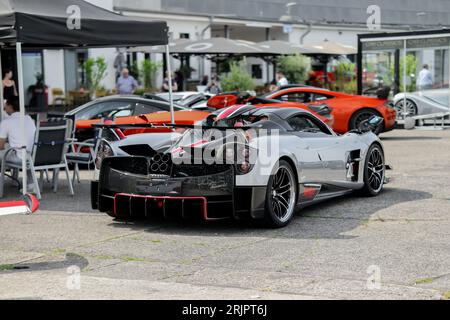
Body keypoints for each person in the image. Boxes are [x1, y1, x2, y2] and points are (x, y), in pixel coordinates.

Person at [0, 97, 37, 192]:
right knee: (16, 148)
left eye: (6, 105)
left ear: (10, 106)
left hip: (20, 158)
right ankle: (31, 184)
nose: (4, 107)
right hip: (34, 155)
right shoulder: (29, 119)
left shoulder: (6, 122)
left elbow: (1, 146)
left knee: (9, 150)